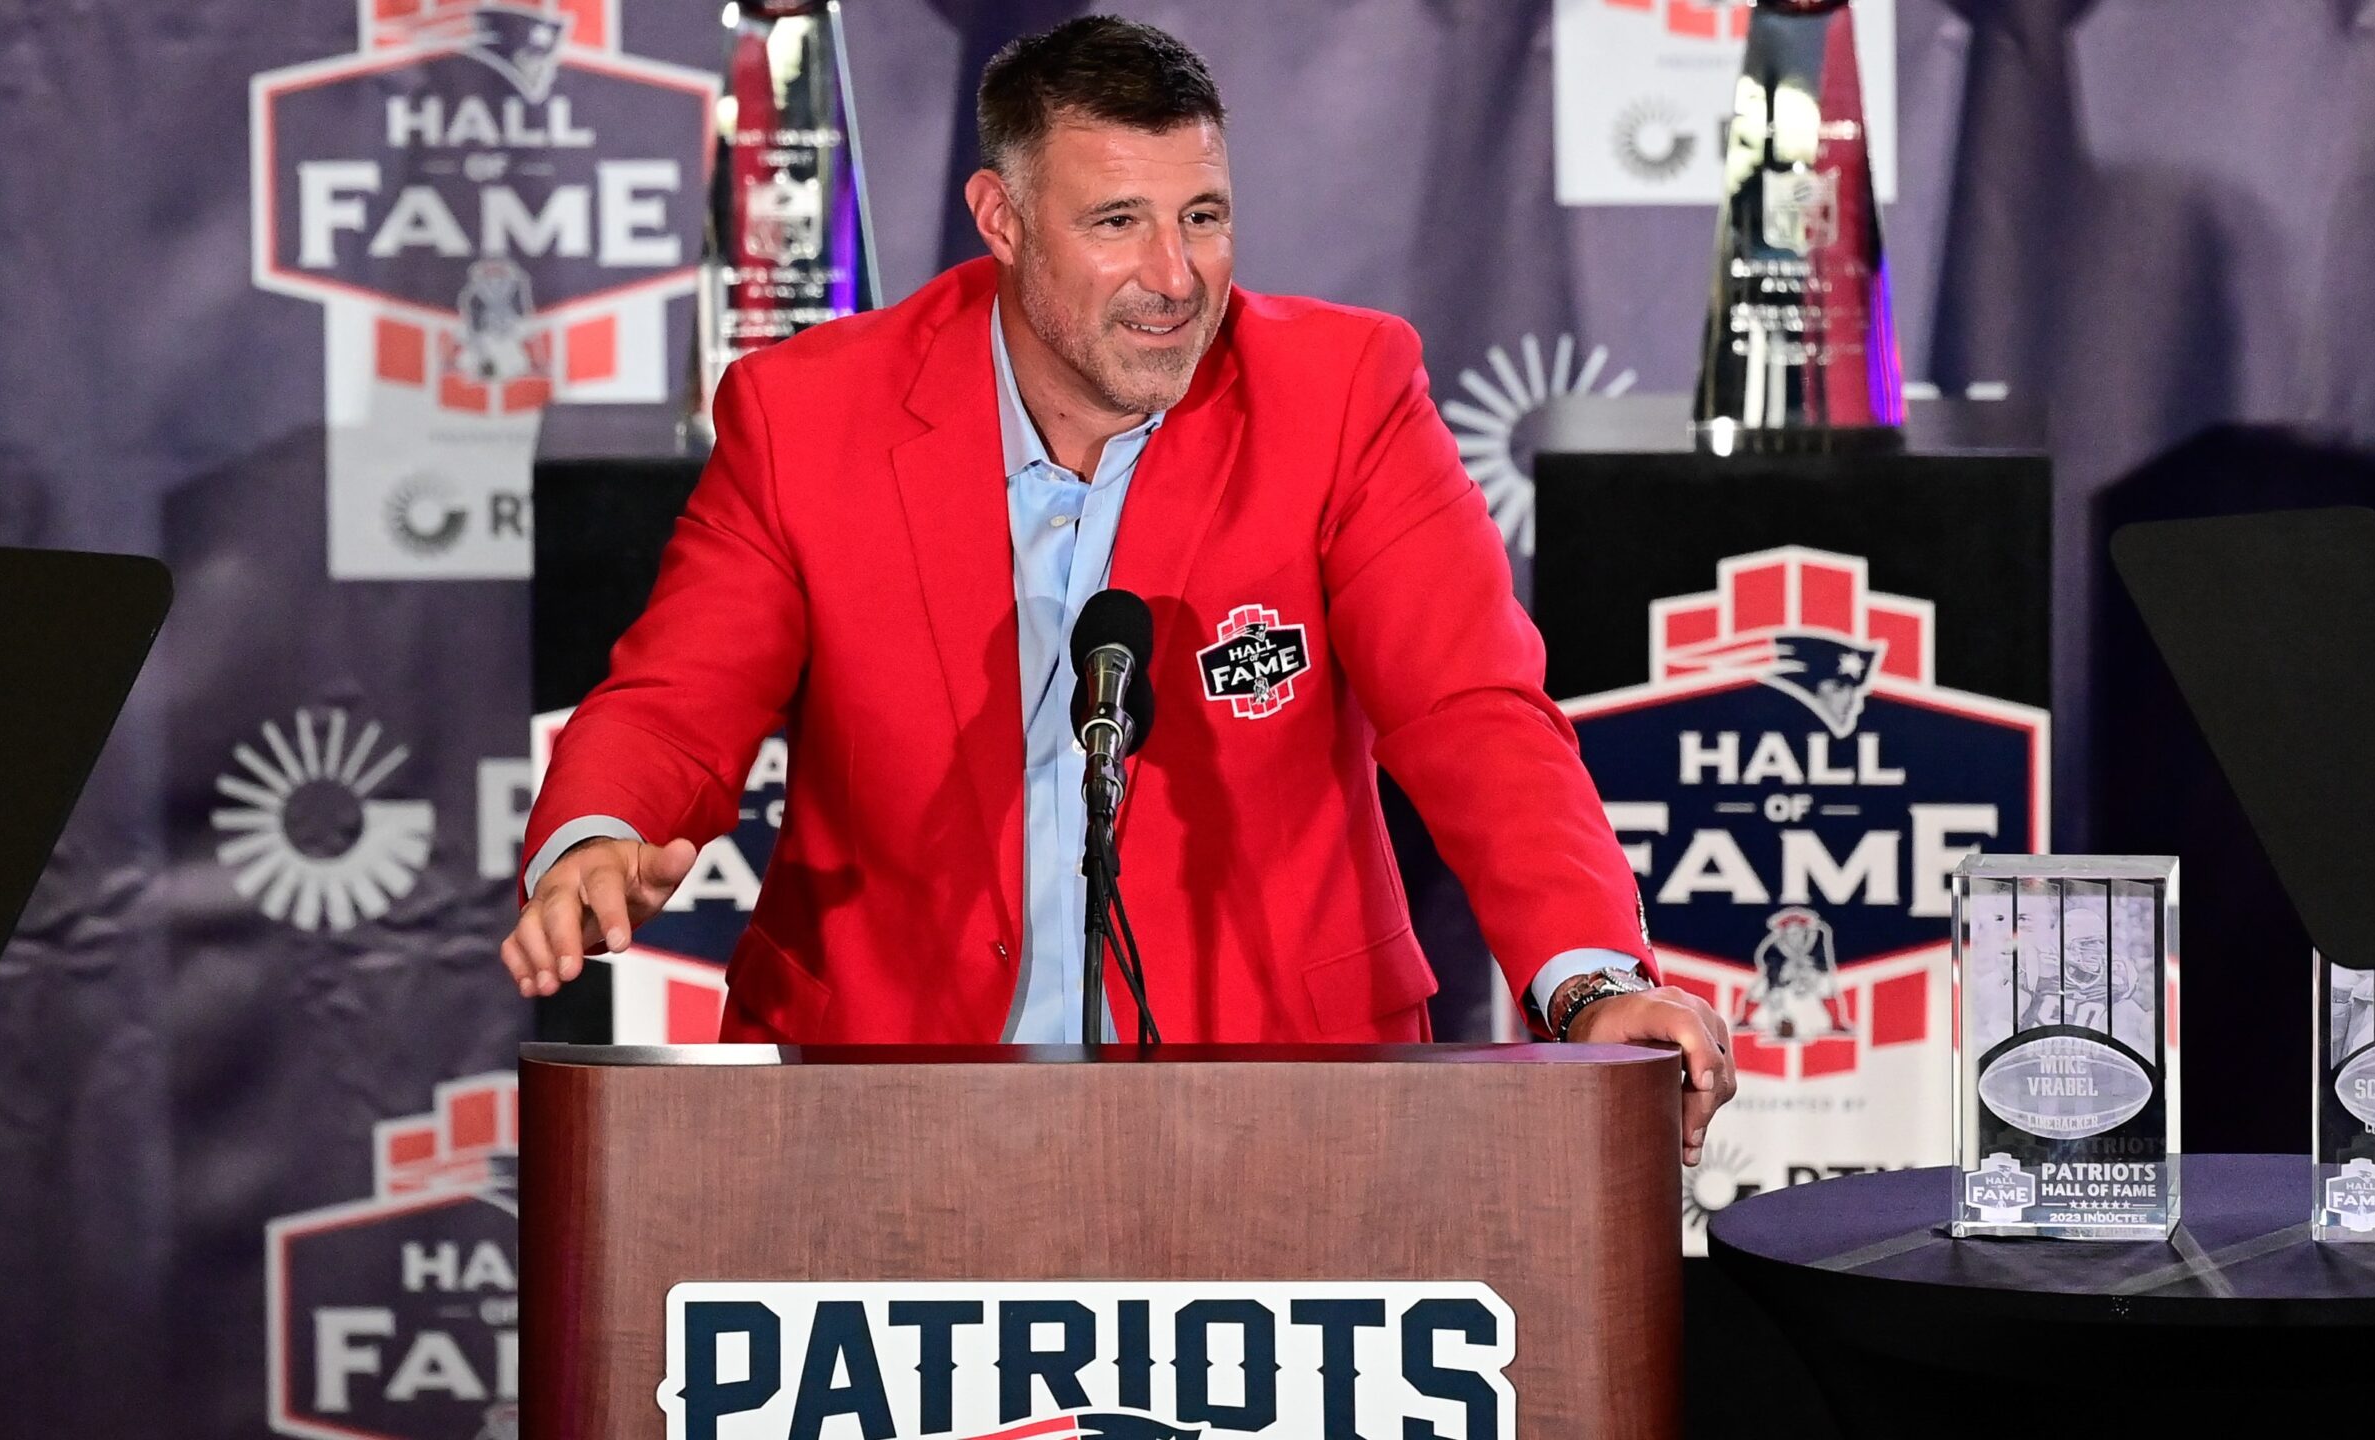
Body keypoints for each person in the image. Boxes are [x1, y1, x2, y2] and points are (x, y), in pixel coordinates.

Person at [500, 16, 1735, 1162]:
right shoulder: (808, 413)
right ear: (1000, 218)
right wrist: (597, 832)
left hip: (1278, 1097)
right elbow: (677, 698)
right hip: (879, 1094)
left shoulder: (1344, 394)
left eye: (1202, 216)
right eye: (1116, 224)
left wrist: (1587, 978)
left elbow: (1471, 712)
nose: (1175, 275)